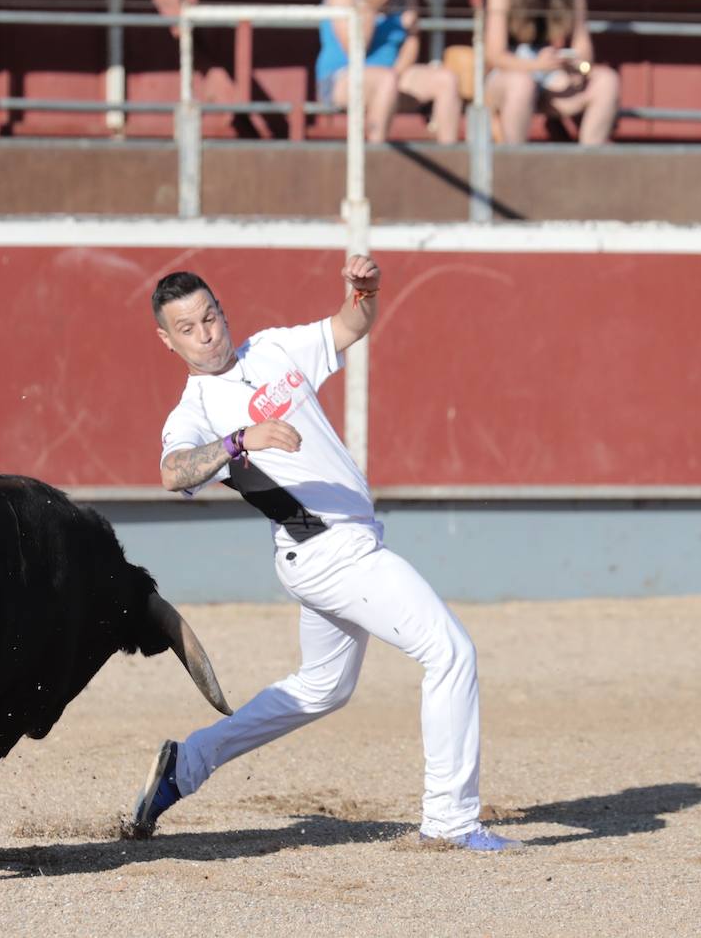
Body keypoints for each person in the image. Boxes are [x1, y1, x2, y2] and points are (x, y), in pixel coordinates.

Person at [123, 262, 522, 852]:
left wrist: (365, 294)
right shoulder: (195, 411)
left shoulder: (274, 349)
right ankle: (450, 820)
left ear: (222, 312)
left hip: (341, 545)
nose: (205, 333)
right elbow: (170, 473)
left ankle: (188, 764)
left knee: (322, 689)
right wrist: (240, 440)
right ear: (167, 340)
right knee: (450, 651)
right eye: (187, 328)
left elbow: (349, 326)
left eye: (209, 317)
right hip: (329, 551)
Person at [316, 0, 462, 144]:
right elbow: (355, 49)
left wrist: (399, 70)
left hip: (395, 72)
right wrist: (370, 10)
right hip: (344, 77)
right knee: (386, 81)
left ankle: (450, 156)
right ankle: (374, 155)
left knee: (447, 79)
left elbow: (412, 40)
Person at [485, 0, 619, 145]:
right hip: (510, 76)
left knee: (606, 80)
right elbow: (494, 55)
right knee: (523, 84)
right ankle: (512, 159)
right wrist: (535, 65)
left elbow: (583, 46)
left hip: (553, 76)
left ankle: (591, 159)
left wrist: (576, 65)